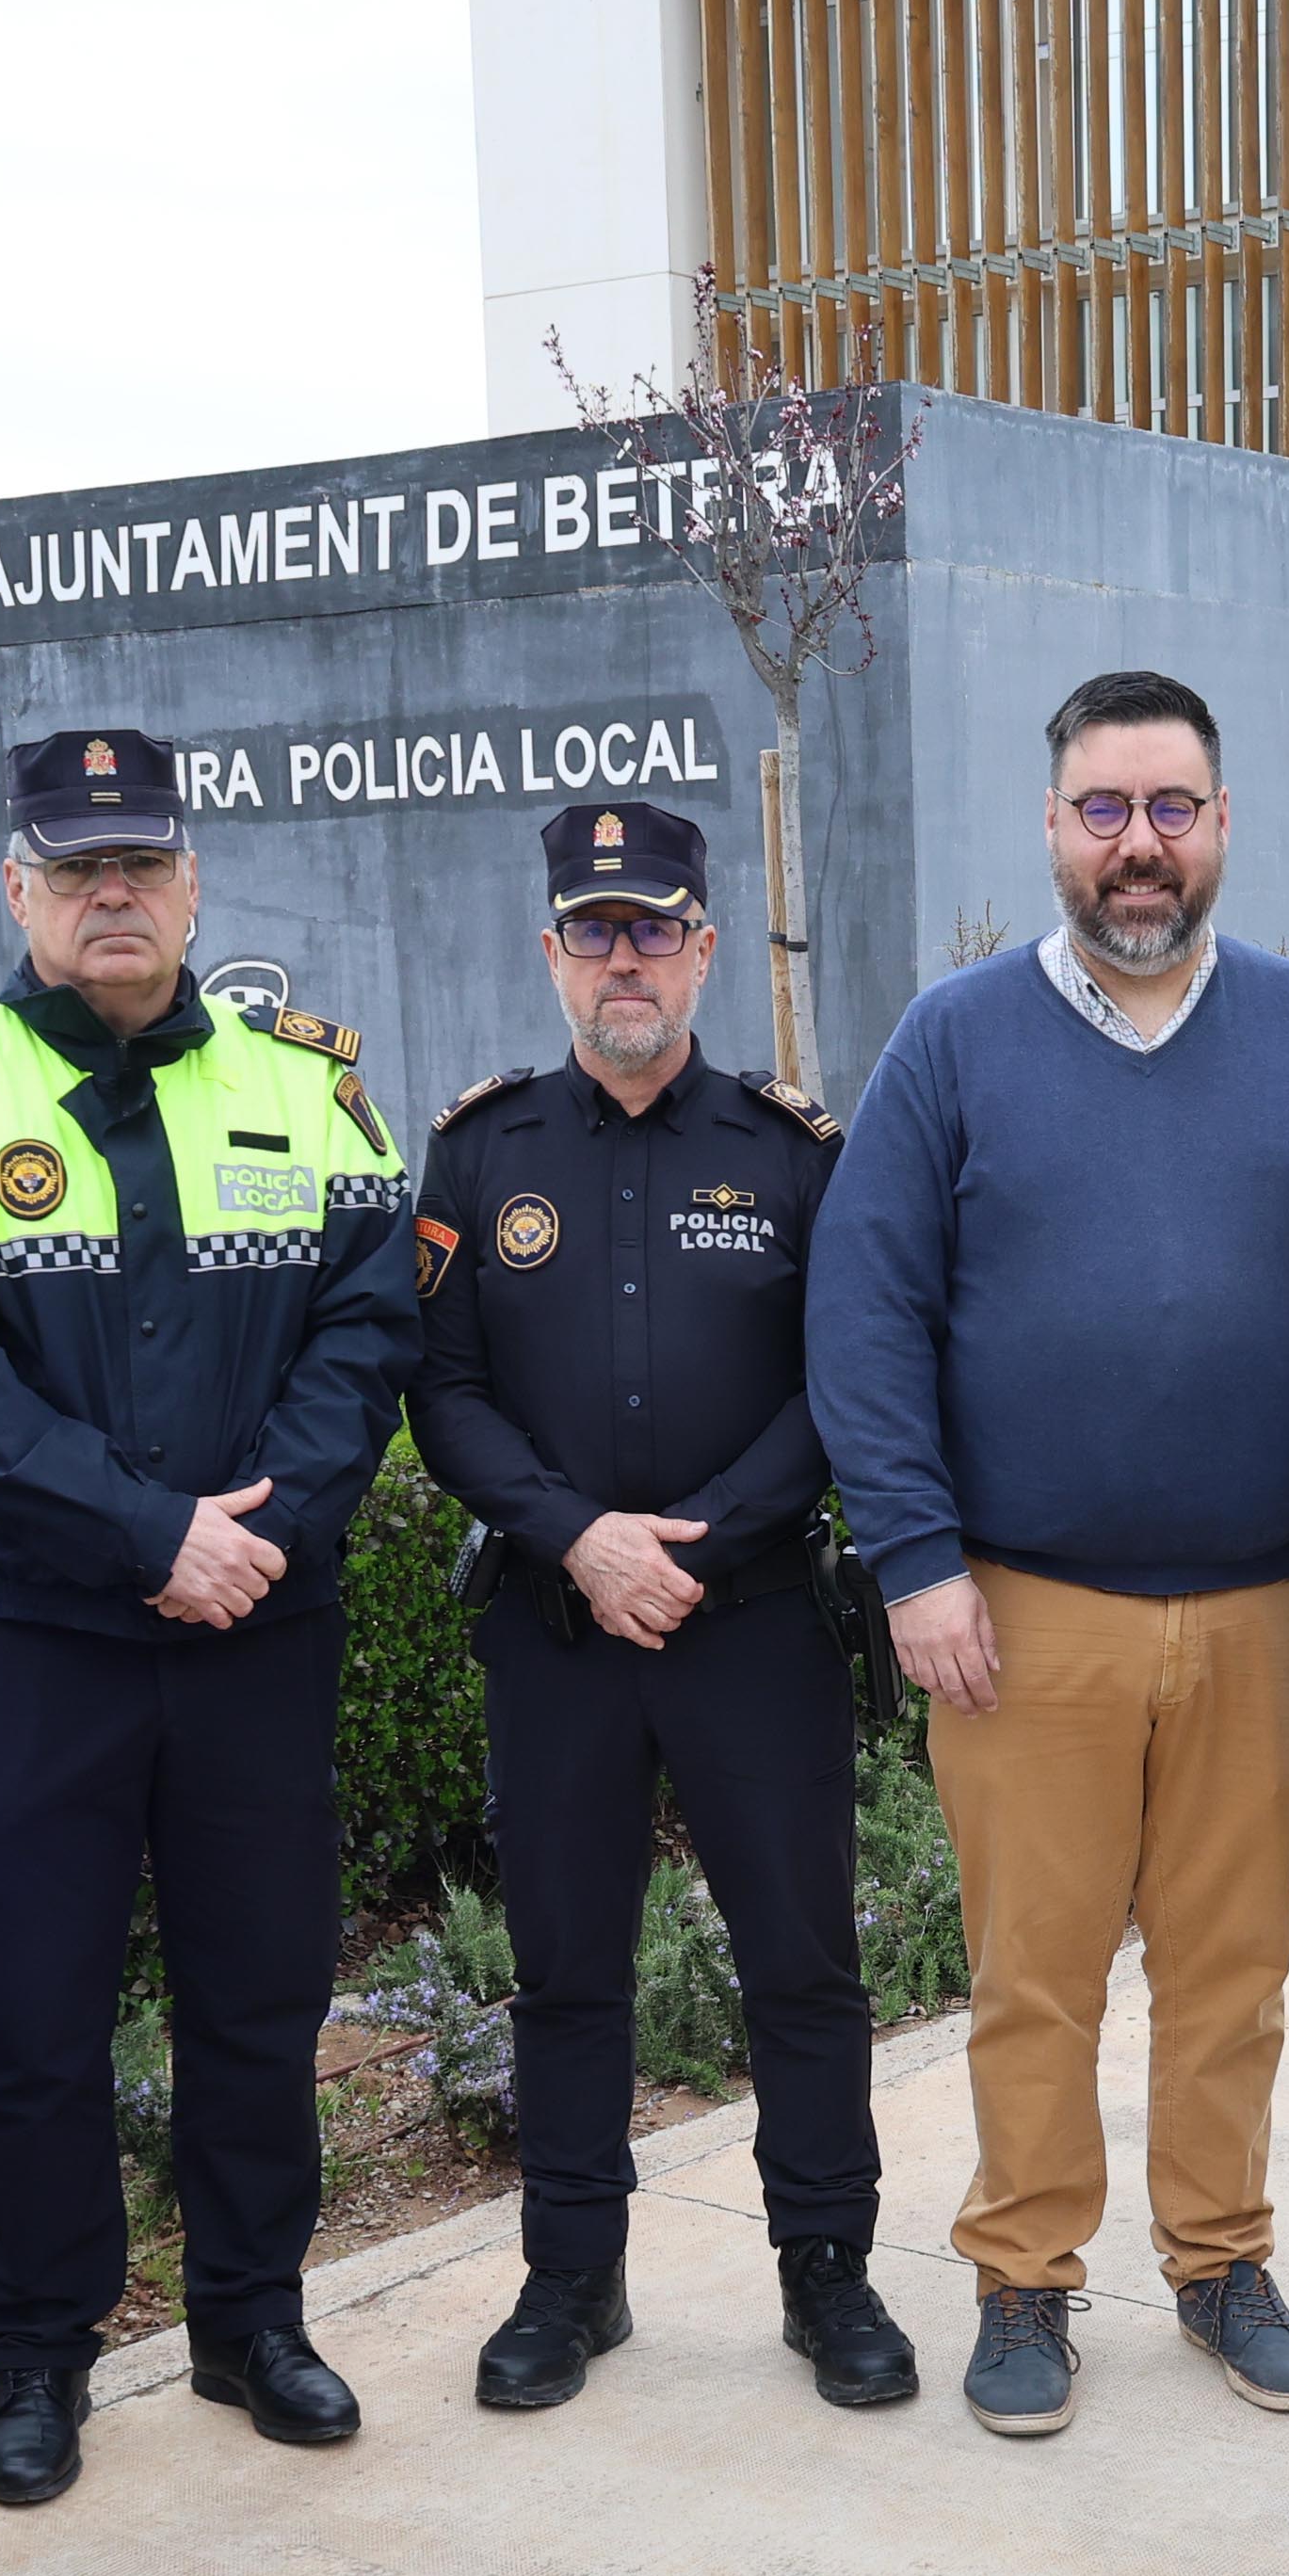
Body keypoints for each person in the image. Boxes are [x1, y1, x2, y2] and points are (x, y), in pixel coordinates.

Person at [806, 670, 1289, 2437]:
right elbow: (868, 1313)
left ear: (1222, 828)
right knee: (1034, 1977)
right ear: (1055, 828)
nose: (1136, 847)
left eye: (1170, 810)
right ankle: (1023, 2281)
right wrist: (914, 1561)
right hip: (1022, 1613)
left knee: (1235, 1977)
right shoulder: (954, 1041)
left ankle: (1220, 2263)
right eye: (1103, 812)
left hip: (1266, 1611)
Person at [0, 730, 416, 2504]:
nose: (110, 895)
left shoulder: (309, 1088)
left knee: (259, 1999)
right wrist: (151, 1532)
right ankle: (38, 2360)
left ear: (189, 884)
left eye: (140, 866)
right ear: (15, 888)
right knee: (39, 2017)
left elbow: (369, 1333)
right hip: (38, 1638)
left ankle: (254, 2320)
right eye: (74, 868)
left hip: (256, 1633)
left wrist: (258, 1535)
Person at [408, 799, 915, 2413]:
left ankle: (826, 2276)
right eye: (592, 930)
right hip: (561, 1635)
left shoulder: (789, 1154)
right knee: (567, 1972)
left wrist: (692, 1547)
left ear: (704, 946)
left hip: (754, 1626)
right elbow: (445, 1390)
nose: (622, 959)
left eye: (652, 928)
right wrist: (578, 1541)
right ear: (549, 952)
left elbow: (847, 1382)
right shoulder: (483, 1153)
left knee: (803, 1966)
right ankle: (573, 2281)